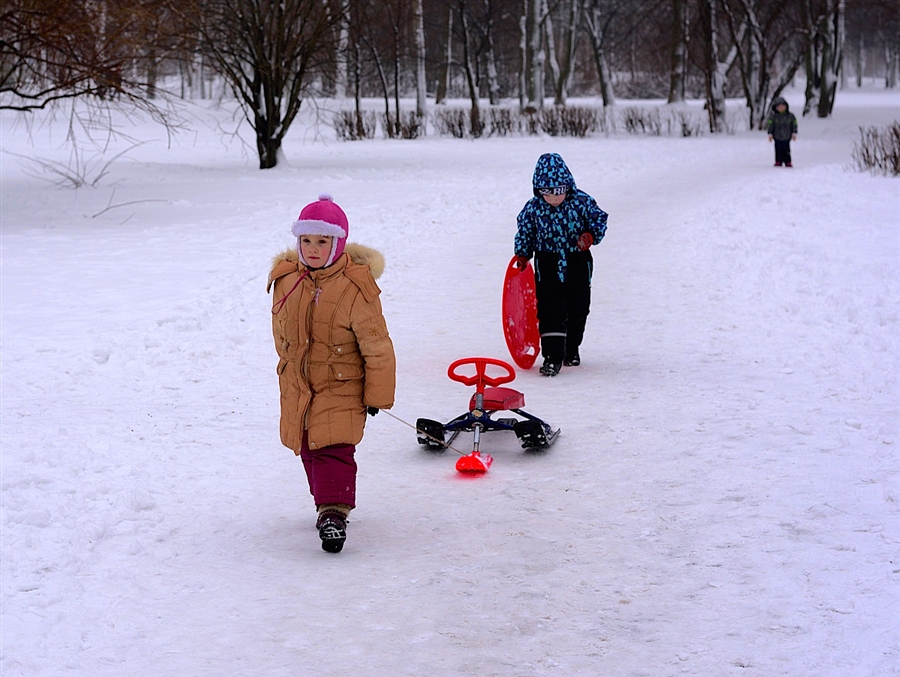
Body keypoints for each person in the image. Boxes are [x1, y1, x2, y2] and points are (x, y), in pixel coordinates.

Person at [267, 194, 396, 553]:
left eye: (322, 241)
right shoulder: (287, 281)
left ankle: (334, 511)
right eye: (306, 240)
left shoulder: (355, 288)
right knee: (308, 446)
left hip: (342, 386)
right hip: (299, 385)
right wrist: (288, 365)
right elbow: (281, 331)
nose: (312, 249)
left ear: (337, 243)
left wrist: (376, 395)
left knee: (334, 449)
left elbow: (378, 346)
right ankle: (324, 503)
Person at [513, 153, 608, 377]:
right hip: (548, 262)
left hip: (577, 260)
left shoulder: (582, 202)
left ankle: (571, 349)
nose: (555, 198)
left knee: (579, 307)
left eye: (559, 191)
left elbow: (599, 219)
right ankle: (552, 357)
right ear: (539, 190)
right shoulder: (533, 208)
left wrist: (590, 236)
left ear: (568, 185)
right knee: (549, 310)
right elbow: (525, 231)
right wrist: (523, 254)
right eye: (548, 192)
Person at [766, 97, 798, 167]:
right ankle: (778, 161)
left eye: (783, 106)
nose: (781, 108)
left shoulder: (790, 116)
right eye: (779, 106)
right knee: (778, 149)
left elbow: (794, 125)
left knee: (786, 149)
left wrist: (794, 133)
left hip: (787, 137)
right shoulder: (774, 117)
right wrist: (770, 133)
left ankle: (788, 161)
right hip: (777, 137)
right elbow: (770, 125)